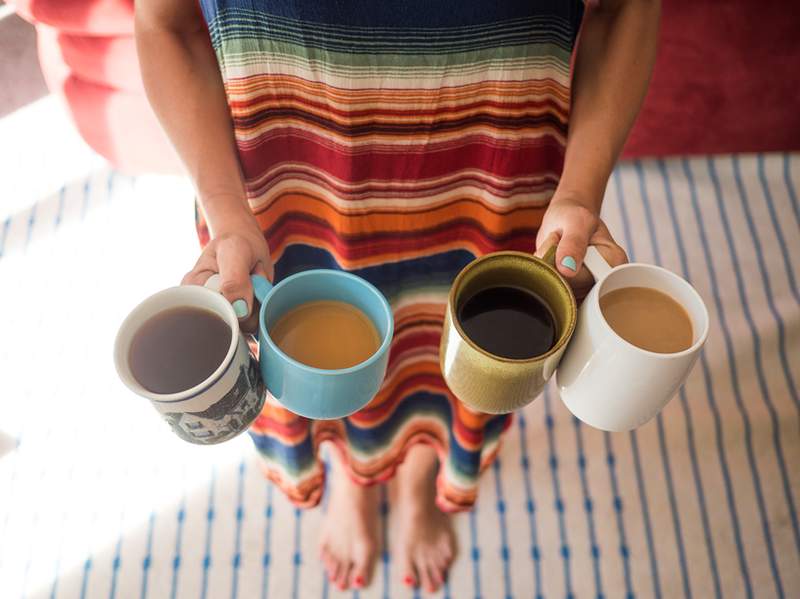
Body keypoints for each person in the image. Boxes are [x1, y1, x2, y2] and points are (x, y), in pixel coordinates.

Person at [135, 0, 658, 592]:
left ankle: (418, 473)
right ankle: (353, 476)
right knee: (311, 363)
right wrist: (226, 210)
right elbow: (164, 22)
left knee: (469, 352)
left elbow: (626, 8)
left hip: (490, 187)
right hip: (284, 196)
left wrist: (582, 191)